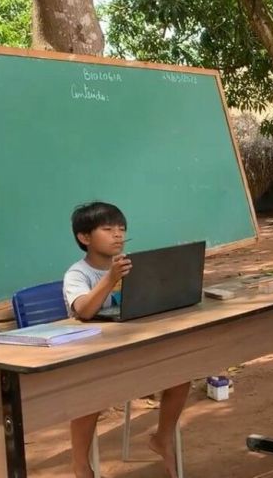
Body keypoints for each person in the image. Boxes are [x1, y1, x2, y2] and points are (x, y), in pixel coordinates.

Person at [63, 202, 189, 478]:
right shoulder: (78, 274)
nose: (118, 234)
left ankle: (162, 438)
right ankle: (81, 465)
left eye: (122, 229)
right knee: (89, 398)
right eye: (108, 229)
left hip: (130, 348)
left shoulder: (131, 265)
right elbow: (84, 311)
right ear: (84, 237)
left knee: (181, 375)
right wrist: (110, 278)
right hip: (92, 357)